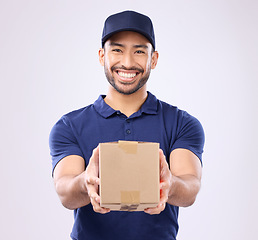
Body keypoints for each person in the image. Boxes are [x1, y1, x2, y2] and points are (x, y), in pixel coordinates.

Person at [49, 10, 205, 240]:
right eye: (117, 50)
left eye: (139, 51)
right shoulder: (70, 126)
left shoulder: (181, 123)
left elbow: (190, 187)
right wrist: (85, 182)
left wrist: (169, 184)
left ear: (153, 59)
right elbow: (64, 192)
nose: (128, 62)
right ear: (102, 56)